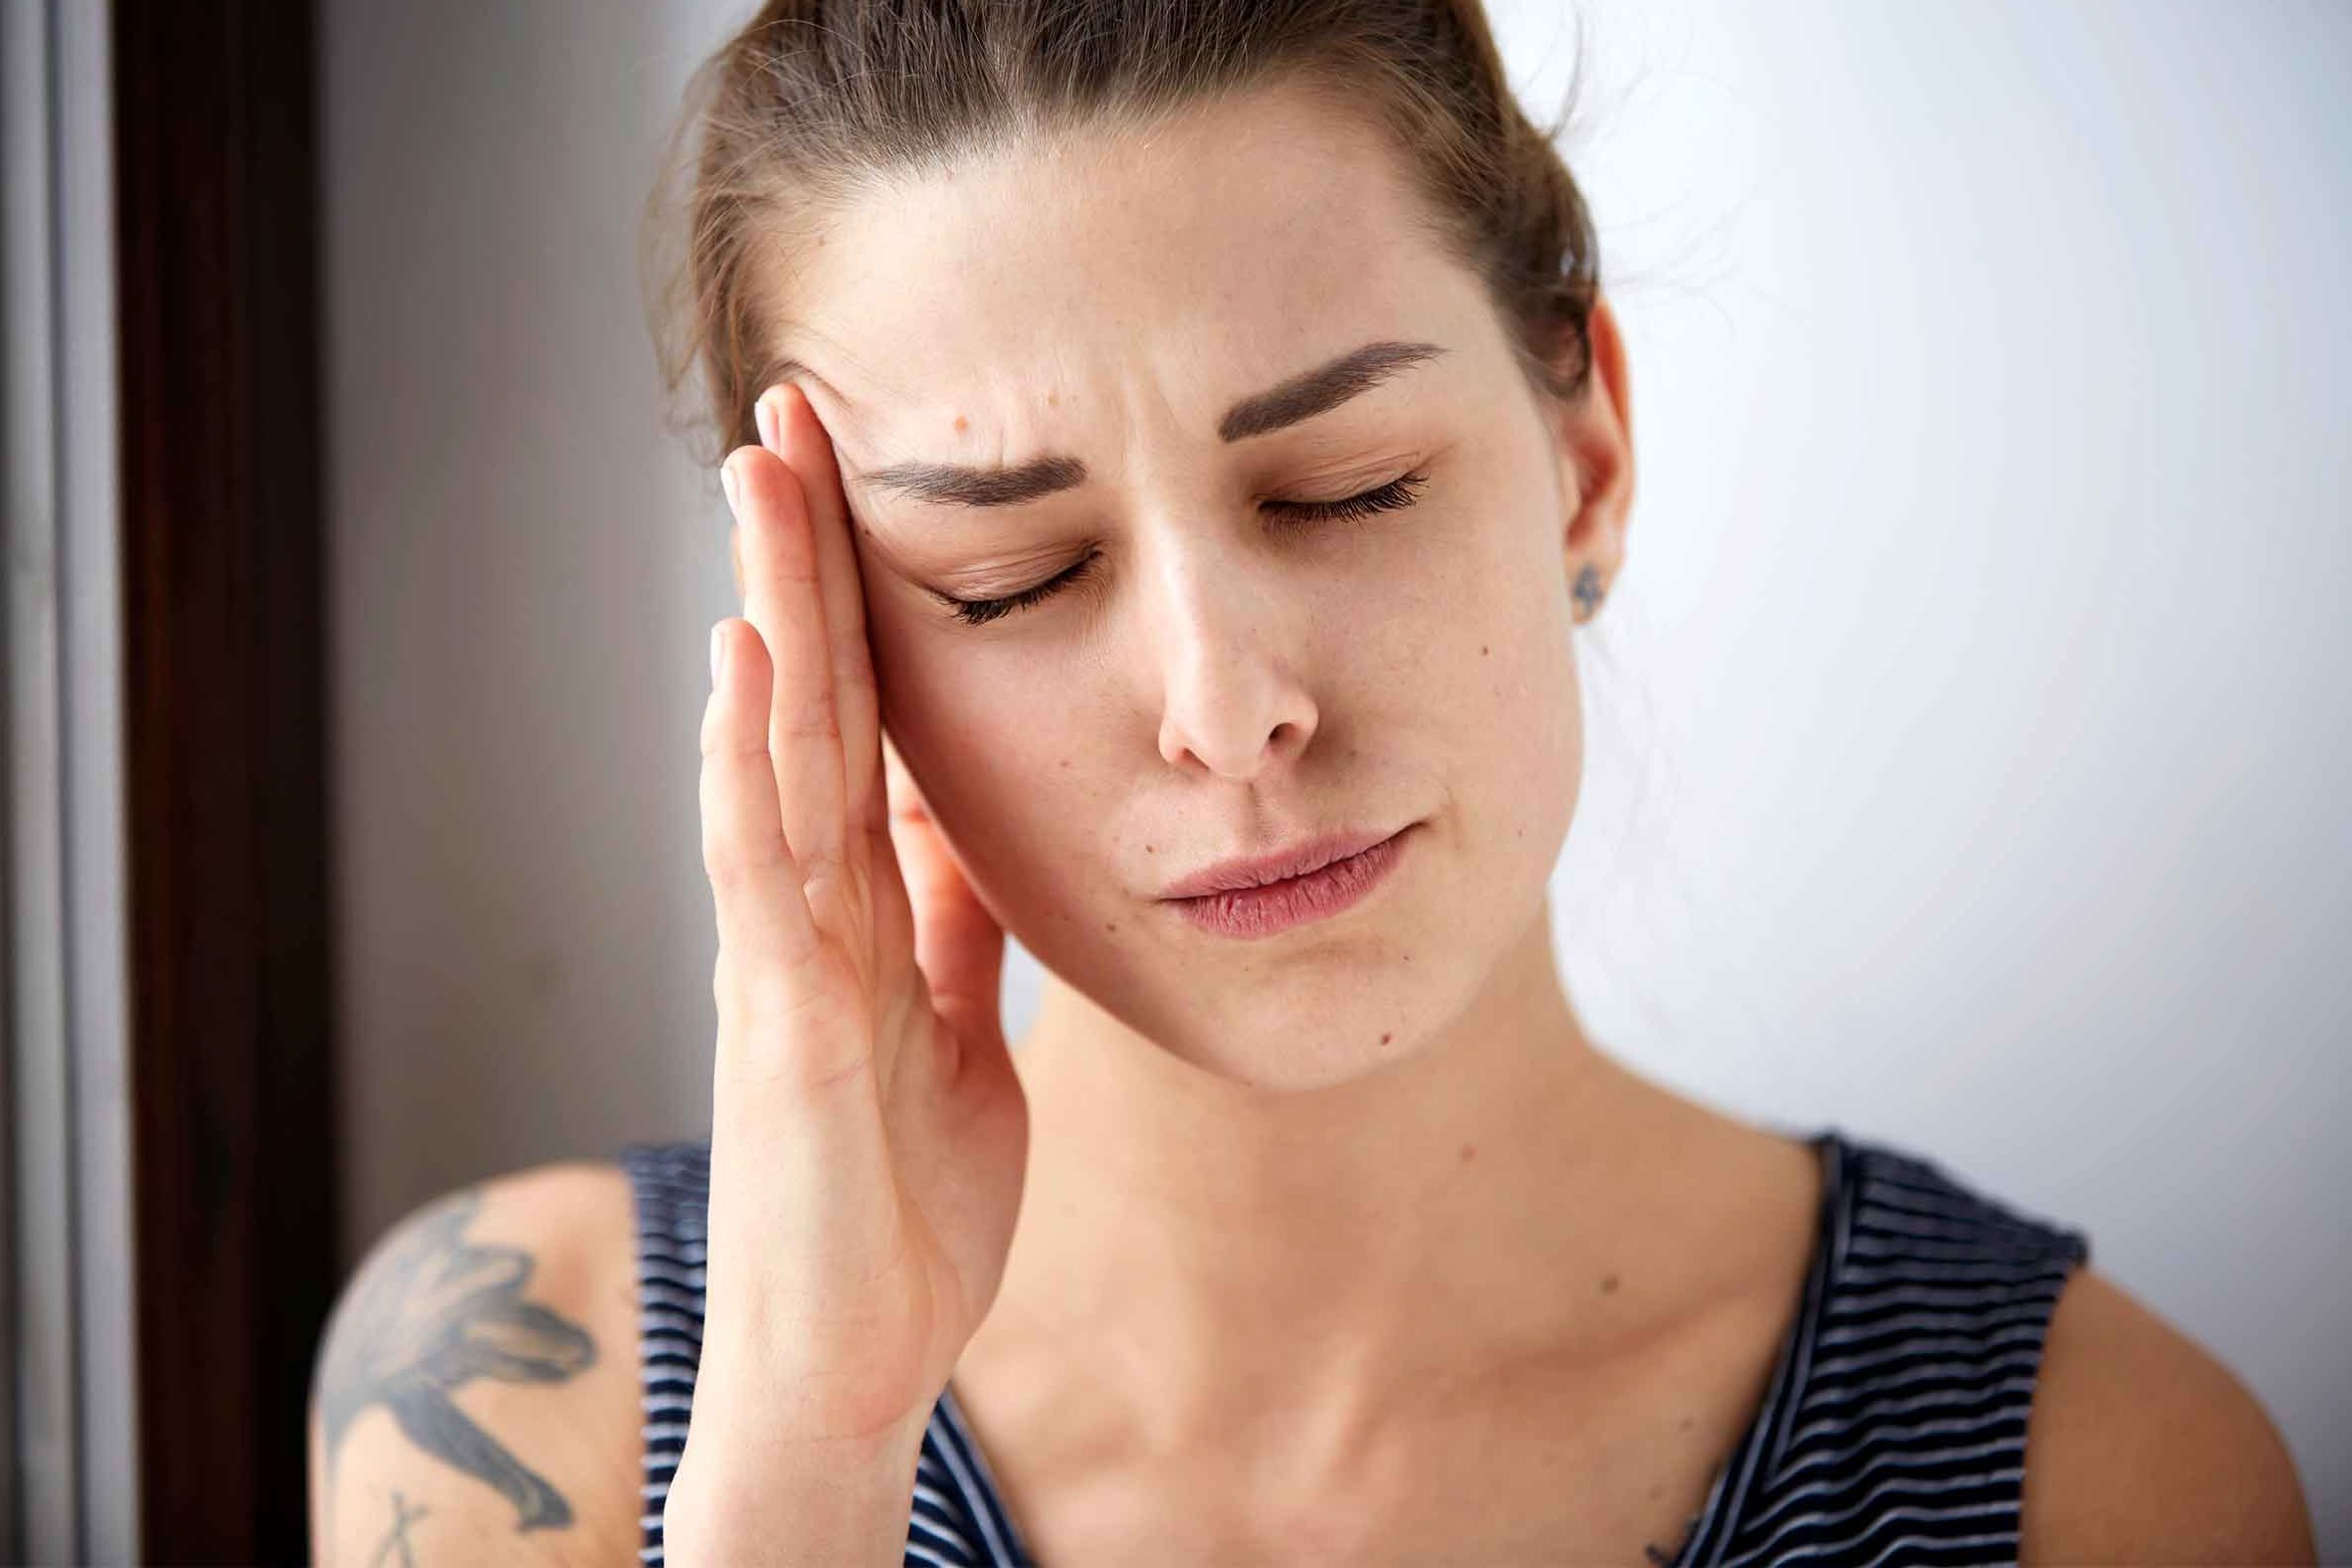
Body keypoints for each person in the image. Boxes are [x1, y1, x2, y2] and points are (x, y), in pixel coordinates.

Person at [305, 2, 2318, 1563]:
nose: (1227, 704)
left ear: (1587, 456)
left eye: (1346, 487)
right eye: (1012, 575)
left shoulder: (2092, 1474)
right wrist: (809, 1461)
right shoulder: (522, 1397)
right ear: (845, 630)